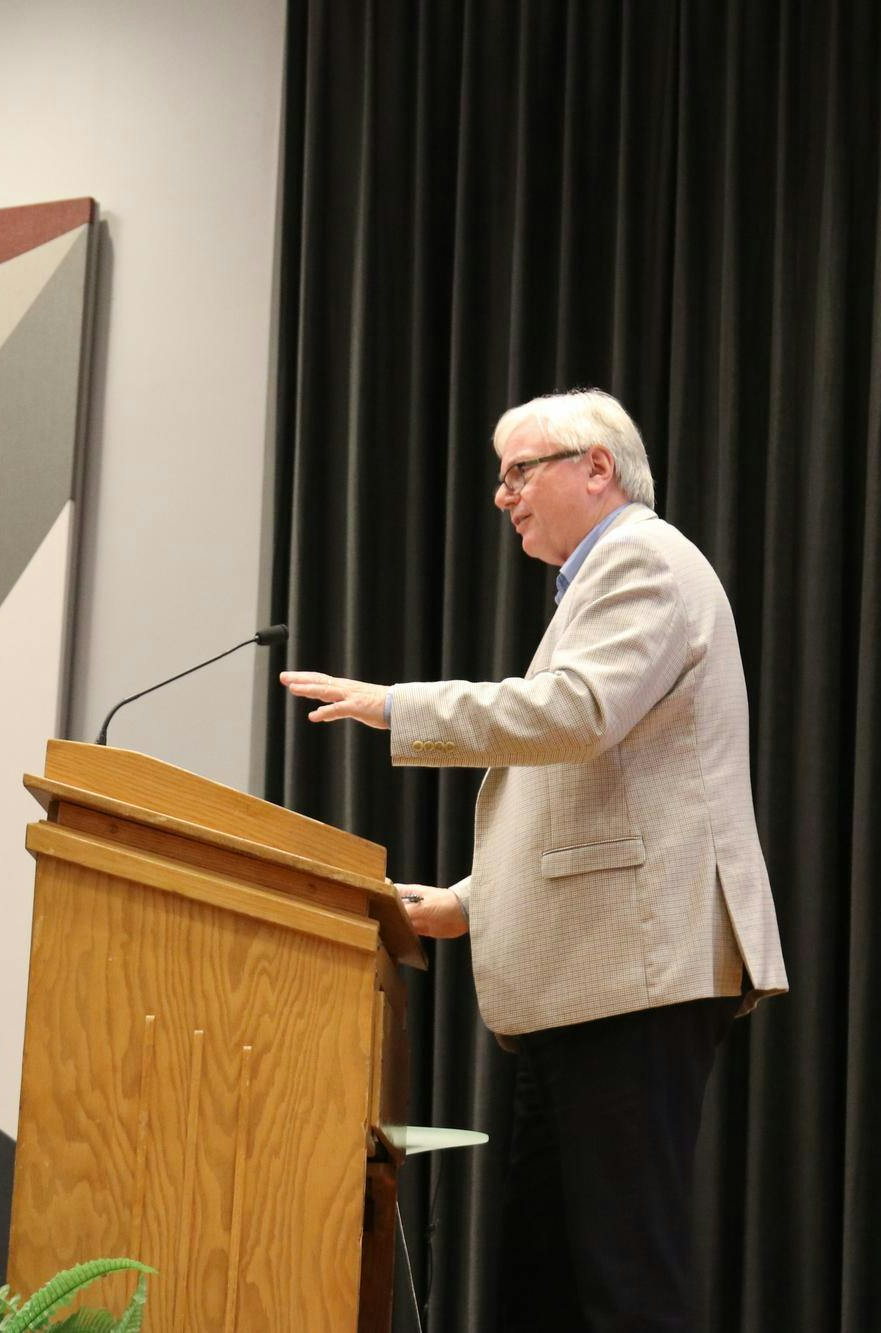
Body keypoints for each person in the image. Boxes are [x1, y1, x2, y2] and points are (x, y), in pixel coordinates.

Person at [280, 388, 786, 1332]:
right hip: (593, 979)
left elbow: (572, 716)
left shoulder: (640, 558)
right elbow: (594, 793)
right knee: (548, 1281)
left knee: (622, 1283)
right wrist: (466, 903)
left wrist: (399, 705)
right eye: (499, 475)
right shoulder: (601, 579)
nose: (503, 496)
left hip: (632, 976)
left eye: (520, 471)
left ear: (596, 468)